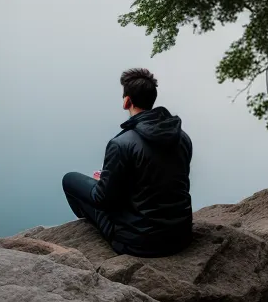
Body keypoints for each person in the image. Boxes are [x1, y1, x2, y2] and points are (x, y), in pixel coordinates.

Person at [62, 68, 192, 257]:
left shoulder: (121, 144)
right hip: (181, 236)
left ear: (127, 101)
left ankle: (93, 229)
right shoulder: (182, 137)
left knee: (70, 180)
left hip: (139, 243)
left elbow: (102, 199)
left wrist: (103, 183)